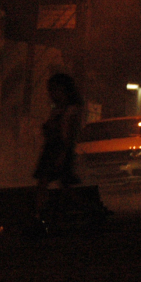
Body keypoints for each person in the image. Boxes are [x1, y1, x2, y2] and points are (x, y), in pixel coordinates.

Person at [33, 73, 83, 227]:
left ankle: (76, 211)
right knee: (52, 183)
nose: (52, 94)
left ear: (65, 90)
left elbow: (69, 135)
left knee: (57, 183)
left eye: (55, 90)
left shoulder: (71, 110)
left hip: (60, 150)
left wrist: (63, 154)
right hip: (52, 149)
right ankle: (44, 214)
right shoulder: (57, 109)